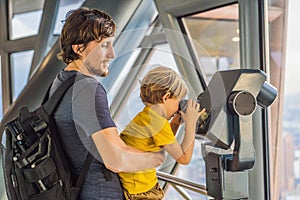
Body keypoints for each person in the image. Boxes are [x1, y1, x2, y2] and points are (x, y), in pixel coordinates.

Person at [51, 7, 164, 199]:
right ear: (78, 49)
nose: (112, 54)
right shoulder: (87, 89)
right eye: (104, 46)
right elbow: (116, 159)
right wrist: (157, 157)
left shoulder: (61, 82)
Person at [118, 66, 206, 200]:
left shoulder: (147, 116)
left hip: (136, 186)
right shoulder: (158, 123)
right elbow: (184, 158)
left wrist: (176, 121)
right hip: (141, 193)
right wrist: (191, 124)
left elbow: (165, 141)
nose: (178, 105)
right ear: (166, 97)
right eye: (178, 101)